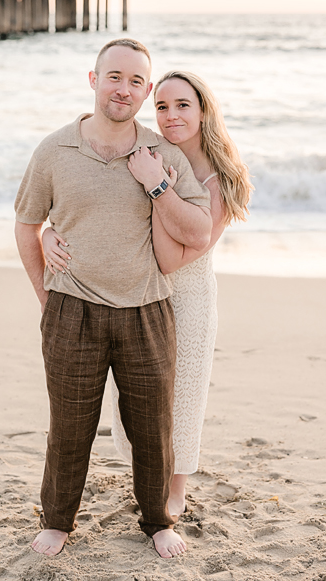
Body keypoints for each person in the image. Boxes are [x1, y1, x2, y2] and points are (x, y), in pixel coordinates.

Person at [13, 39, 212, 559]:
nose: (124, 88)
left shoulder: (161, 154)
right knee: (70, 424)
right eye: (114, 76)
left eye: (136, 82)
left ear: (146, 92)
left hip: (147, 311)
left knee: (152, 427)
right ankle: (57, 520)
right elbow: (27, 224)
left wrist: (156, 186)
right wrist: (46, 298)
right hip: (71, 309)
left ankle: (157, 521)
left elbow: (199, 226)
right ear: (93, 79)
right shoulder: (54, 150)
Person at [42, 70, 252, 519]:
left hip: (185, 298)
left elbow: (174, 258)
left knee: (181, 398)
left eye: (183, 106)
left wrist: (158, 187)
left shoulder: (219, 179)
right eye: (162, 106)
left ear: (203, 112)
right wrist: (48, 232)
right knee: (135, 403)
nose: (171, 115)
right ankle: (149, 475)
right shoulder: (150, 152)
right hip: (134, 296)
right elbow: (98, 209)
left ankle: (174, 490)